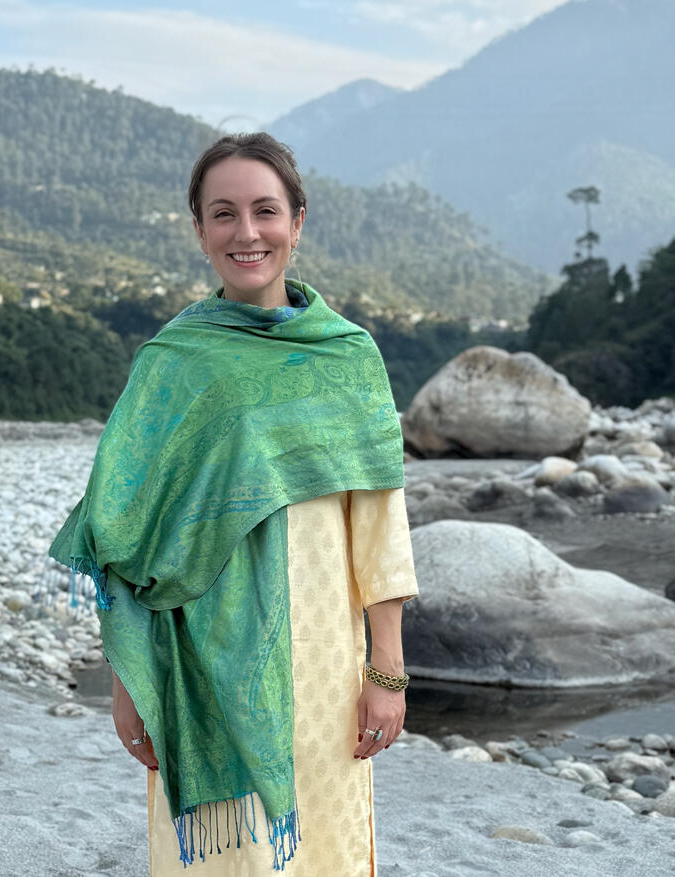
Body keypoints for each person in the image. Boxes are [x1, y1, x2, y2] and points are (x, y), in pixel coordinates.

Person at [49, 132, 419, 875]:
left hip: (322, 662)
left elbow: (379, 526)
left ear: (297, 222)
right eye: (223, 214)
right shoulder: (172, 365)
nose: (246, 232)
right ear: (199, 230)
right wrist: (128, 683)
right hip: (195, 660)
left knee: (324, 850)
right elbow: (121, 534)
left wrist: (386, 670)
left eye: (265, 211)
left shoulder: (347, 358)